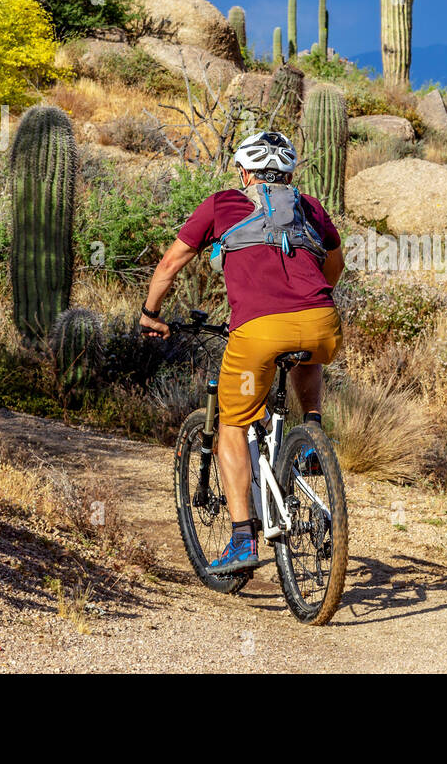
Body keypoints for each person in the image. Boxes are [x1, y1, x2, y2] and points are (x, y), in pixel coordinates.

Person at [140, 130, 345, 575]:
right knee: (305, 353)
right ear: (288, 173)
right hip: (322, 322)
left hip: (257, 331)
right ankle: (311, 436)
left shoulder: (222, 204)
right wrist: (313, 292)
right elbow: (335, 260)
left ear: (245, 172)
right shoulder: (308, 206)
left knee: (232, 423)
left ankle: (242, 540)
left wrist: (150, 312)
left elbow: (172, 262)